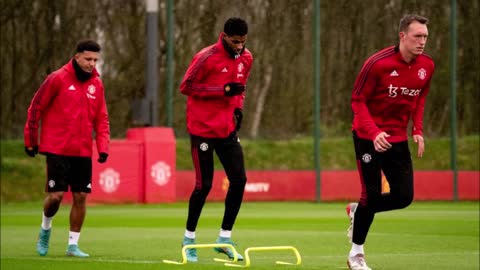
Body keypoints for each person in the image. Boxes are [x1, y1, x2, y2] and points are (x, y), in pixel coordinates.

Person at [347, 14, 435, 270]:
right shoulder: (377, 63)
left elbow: (419, 98)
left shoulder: (427, 66)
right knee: (371, 197)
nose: (422, 41)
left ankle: (358, 211)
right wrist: (374, 132)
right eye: (418, 36)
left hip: (397, 138)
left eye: (425, 37)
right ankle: (356, 255)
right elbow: (357, 101)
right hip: (367, 137)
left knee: (404, 197)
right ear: (402, 36)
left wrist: (417, 128)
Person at [24, 39, 110, 258]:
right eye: (88, 59)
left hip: (82, 150)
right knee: (56, 196)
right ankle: (45, 229)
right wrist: (31, 139)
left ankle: (73, 245)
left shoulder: (97, 84)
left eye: (95, 60)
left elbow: (102, 119)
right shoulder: (57, 78)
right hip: (57, 148)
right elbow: (35, 108)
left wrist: (103, 147)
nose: (92, 63)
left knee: (81, 196)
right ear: (77, 57)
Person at [179, 17, 253, 262]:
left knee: (239, 179)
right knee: (204, 185)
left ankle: (224, 238)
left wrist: (238, 108)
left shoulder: (246, 58)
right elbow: (186, 86)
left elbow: (240, 88)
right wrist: (222, 91)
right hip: (201, 129)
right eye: (235, 42)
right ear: (224, 36)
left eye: (243, 42)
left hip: (226, 130)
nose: (239, 46)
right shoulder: (206, 56)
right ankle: (189, 239)